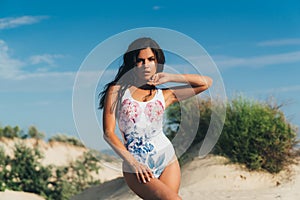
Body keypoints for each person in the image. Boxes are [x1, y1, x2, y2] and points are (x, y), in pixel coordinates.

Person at [99, 37, 212, 200]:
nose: (146, 65)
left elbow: (206, 83)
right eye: (140, 61)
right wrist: (133, 163)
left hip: (167, 159)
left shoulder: (164, 95)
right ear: (133, 64)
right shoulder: (117, 91)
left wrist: (171, 77)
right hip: (136, 165)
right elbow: (108, 133)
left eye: (151, 59)